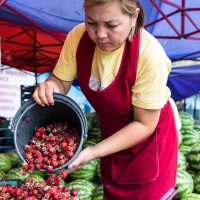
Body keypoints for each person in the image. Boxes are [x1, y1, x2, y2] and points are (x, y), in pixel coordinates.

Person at [33, 0, 180, 199]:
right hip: (111, 138)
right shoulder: (77, 37)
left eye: (111, 26)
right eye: (91, 23)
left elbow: (144, 124)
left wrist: (93, 152)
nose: (100, 34)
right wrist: (51, 85)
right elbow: (61, 81)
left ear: (134, 17)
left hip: (149, 144)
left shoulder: (151, 57)